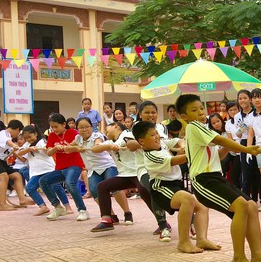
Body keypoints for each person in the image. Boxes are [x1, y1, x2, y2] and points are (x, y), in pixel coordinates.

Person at [178, 94, 261, 262]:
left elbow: (216, 155)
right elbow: (219, 140)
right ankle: (238, 258)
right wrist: (245, 148)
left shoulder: (202, 130)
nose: (200, 113)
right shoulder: (194, 127)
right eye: (194, 110)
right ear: (184, 117)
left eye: (201, 109)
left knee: (251, 205)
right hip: (203, 181)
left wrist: (228, 145)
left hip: (215, 178)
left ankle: (257, 255)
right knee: (242, 205)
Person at [133, 121, 213, 253]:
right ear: (141, 141)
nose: (157, 137)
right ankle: (183, 242)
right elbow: (175, 161)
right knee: (187, 199)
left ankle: (202, 239)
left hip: (176, 185)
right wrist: (190, 153)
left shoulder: (162, 144)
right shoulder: (151, 156)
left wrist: (182, 145)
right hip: (161, 188)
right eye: (152, 135)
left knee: (202, 205)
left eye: (157, 133)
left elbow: (177, 141)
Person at [90, 122, 153, 232]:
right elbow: (94, 149)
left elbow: (133, 142)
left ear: (115, 126)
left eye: (107, 129)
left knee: (145, 194)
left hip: (138, 173)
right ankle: (107, 220)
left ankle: (163, 223)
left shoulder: (126, 134)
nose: (106, 132)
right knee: (102, 187)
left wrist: (129, 144)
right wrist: (109, 146)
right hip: (124, 176)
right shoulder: (111, 142)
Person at [125, 101, 173, 240]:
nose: (151, 115)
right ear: (140, 114)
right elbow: (130, 144)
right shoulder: (135, 127)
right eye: (147, 112)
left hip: (164, 166)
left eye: (153, 112)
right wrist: (147, 144)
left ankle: (191, 222)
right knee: (154, 189)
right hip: (145, 168)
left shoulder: (162, 127)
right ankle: (163, 226)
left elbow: (167, 144)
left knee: (179, 193)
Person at [72, 117, 131, 222]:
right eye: (81, 128)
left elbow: (97, 146)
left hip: (107, 166)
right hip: (93, 169)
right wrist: (69, 147)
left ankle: (127, 213)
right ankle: (111, 216)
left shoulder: (97, 136)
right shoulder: (78, 139)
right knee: (94, 190)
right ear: (77, 129)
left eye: (87, 127)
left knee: (115, 187)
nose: (84, 129)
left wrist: (99, 146)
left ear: (92, 127)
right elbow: (68, 148)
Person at [39, 113, 89, 221]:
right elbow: (48, 152)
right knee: (43, 181)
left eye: (56, 126)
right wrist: (56, 148)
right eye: (52, 127)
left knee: (70, 183)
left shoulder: (72, 132)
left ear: (64, 124)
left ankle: (82, 210)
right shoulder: (52, 136)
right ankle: (58, 207)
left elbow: (79, 146)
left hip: (74, 165)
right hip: (60, 168)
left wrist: (67, 146)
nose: (54, 129)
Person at [16, 125, 73, 216]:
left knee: (56, 187)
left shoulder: (42, 142)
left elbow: (48, 152)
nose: (28, 139)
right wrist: (29, 149)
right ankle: (43, 207)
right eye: (26, 138)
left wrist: (49, 148)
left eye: (30, 137)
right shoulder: (27, 145)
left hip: (48, 169)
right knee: (29, 188)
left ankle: (67, 206)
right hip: (36, 172)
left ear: (36, 134)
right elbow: (19, 153)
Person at [0, 119, 32, 210]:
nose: (18, 135)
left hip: (0, 160)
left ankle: (22, 199)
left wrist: (15, 151)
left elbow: (7, 151)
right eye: (19, 132)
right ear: (18, 129)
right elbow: (7, 141)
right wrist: (14, 146)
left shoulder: (8, 137)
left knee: (17, 176)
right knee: (4, 177)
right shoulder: (4, 133)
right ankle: (2, 204)